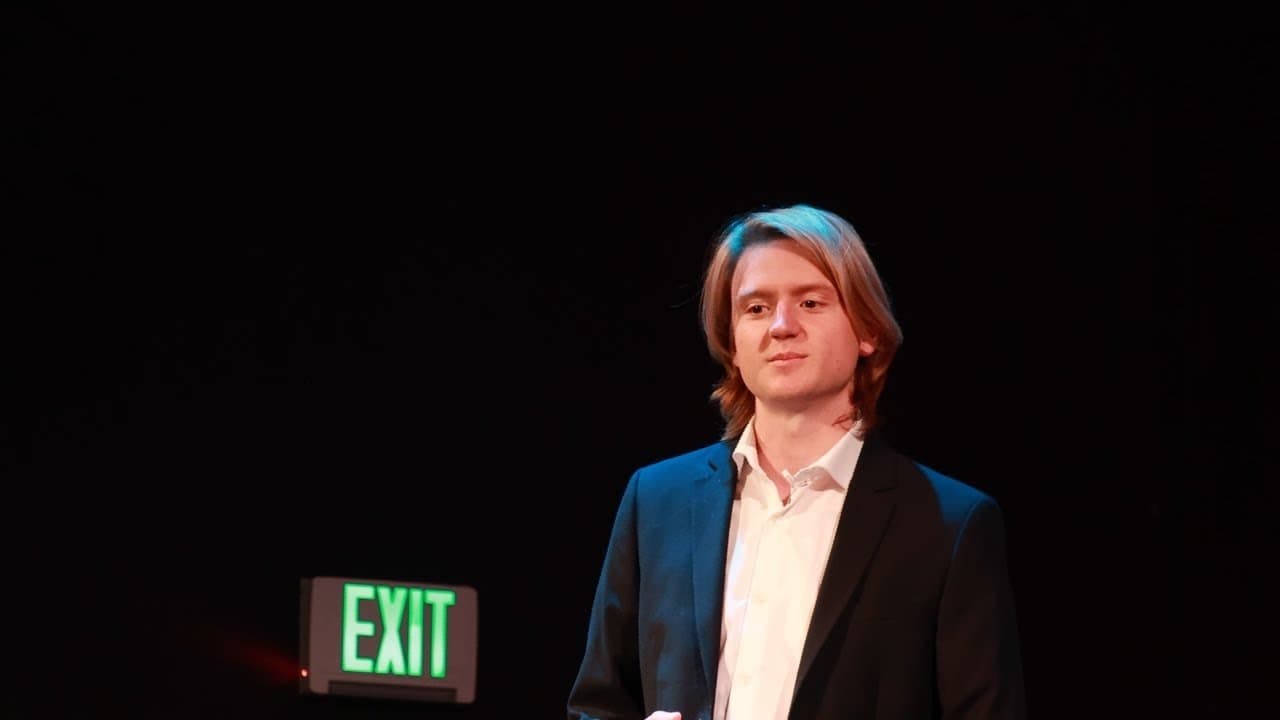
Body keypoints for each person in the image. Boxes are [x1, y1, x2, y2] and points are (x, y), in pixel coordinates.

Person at [566, 203, 1026, 720]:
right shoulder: (656, 501)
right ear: (733, 344)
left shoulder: (949, 524)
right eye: (756, 308)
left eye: (810, 302)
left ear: (867, 331)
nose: (781, 326)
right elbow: (599, 703)